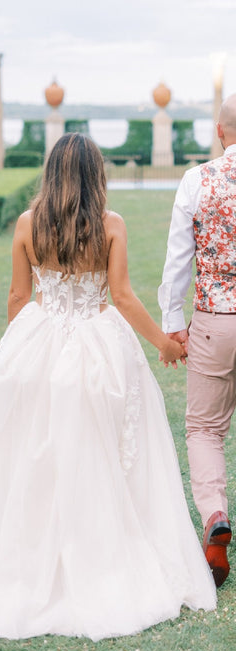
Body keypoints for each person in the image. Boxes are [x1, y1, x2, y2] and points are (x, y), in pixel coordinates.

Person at [0, 133, 216, 641]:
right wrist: (163, 345)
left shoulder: (26, 224)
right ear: (96, 174)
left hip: (38, 344)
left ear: (50, 173)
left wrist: (23, 353)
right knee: (103, 454)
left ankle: (30, 560)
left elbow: (19, 297)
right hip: (97, 349)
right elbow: (123, 296)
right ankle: (100, 554)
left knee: (32, 460)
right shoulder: (110, 225)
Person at [158, 95, 236, 588]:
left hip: (214, 319)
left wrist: (173, 321)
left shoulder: (197, 179)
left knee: (205, 429)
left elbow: (178, 258)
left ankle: (214, 518)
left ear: (221, 131)